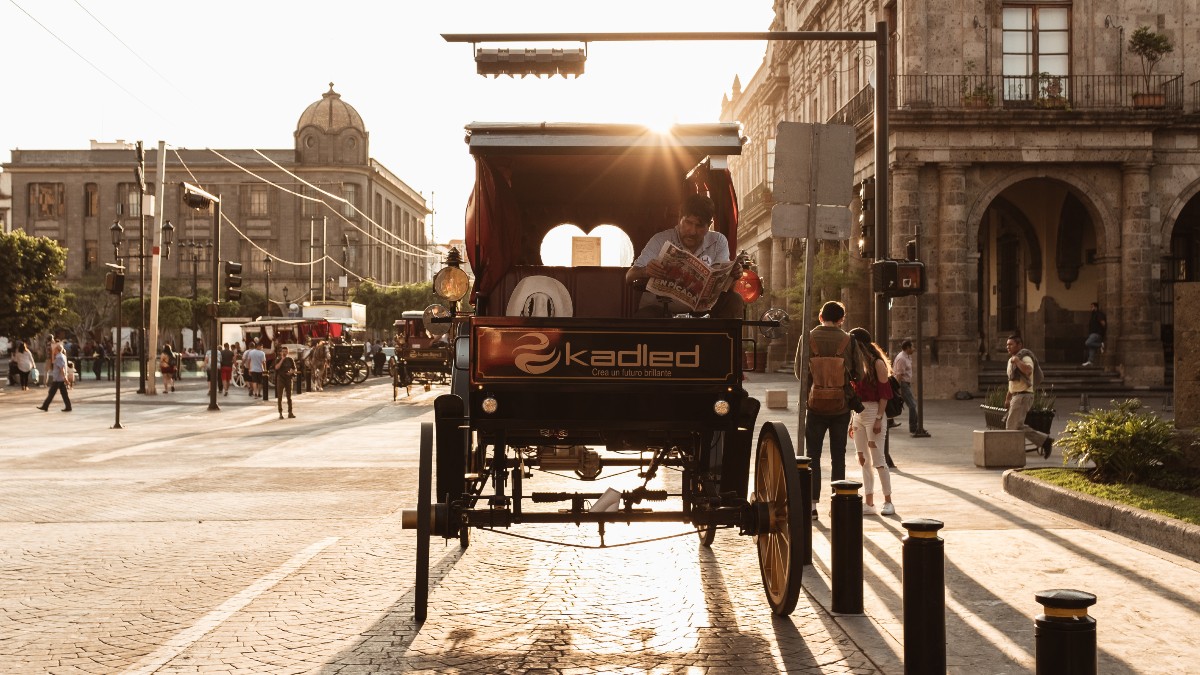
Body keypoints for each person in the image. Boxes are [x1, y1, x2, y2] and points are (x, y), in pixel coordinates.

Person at [626, 193, 743, 318]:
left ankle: (720, 338)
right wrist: (645, 271)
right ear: (679, 219)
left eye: (699, 226)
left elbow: (722, 288)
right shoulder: (660, 240)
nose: (692, 231)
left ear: (709, 225)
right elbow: (629, 276)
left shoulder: (719, 241)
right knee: (644, 317)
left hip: (701, 311)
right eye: (688, 223)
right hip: (660, 308)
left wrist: (733, 276)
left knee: (734, 299)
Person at [799, 300, 864, 519]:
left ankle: (812, 505)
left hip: (815, 405)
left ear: (820, 317)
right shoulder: (848, 340)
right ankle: (838, 502)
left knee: (813, 456)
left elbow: (800, 374)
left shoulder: (807, 338)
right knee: (838, 455)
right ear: (841, 319)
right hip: (840, 407)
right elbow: (860, 374)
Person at [848, 328, 896, 516]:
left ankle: (888, 500)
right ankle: (869, 502)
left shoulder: (877, 363)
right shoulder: (857, 364)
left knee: (878, 459)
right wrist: (852, 421)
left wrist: (878, 419)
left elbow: (884, 395)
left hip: (874, 412)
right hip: (858, 414)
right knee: (863, 459)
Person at [1004, 334, 1054, 457]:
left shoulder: (1025, 357)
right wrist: (1007, 398)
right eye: (1007, 345)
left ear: (1019, 345)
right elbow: (1012, 382)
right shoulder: (1012, 360)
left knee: (1011, 427)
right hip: (1017, 396)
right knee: (1017, 426)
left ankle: (1011, 454)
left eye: (1011, 344)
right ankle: (1045, 441)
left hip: (1023, 396)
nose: (1008, 347)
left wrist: (1017, 361)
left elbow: (1028, 370)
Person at [892, 339, 927, 437]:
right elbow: (899, 375)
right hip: (903, 384)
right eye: (912, 347)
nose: (914, 349)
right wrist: (898, 388)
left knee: (912, 405)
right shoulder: (902, 359)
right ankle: (914, 427)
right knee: (912, 405)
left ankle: (916, 426)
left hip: (906, 384)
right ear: (907, 348)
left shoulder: (907, 357)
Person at [37, 342, 72, 412]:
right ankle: (68, 406)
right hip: (60, 378)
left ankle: (45, 406)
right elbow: (53, 362)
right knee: (64, 393)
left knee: (51, 393)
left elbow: (61, 368)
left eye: (54, 349)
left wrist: (65, 378)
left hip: (58, 379)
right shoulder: (62, 356)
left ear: (57, 350)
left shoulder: (59, 357)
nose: (53, 350)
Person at [274, 345, 297, 419]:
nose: (284, 353)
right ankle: (280, 413)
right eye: (283, 351)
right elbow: (276, 367)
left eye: (285, 351)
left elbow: (295, 369)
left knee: (289, 397)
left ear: (287, 352)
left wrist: (291, 372)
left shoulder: (290, 359)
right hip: (281, 378)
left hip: (288, 378)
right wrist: (282, 360)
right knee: (280, 396)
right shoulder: (278, 359)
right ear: (281, 353)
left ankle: (290, 412)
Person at [1083, 302, 1107, 367]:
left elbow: (1103, 323)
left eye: (1092, 307)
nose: (1091, 308)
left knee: (1087, 343)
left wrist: (1101, 331)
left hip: (1096, 334)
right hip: (1093, 334)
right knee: (1092, 347)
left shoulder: (1099, 314)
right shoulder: (1093, 315)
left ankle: (1100, 345)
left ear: (1096, 307)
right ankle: (1090, 361)